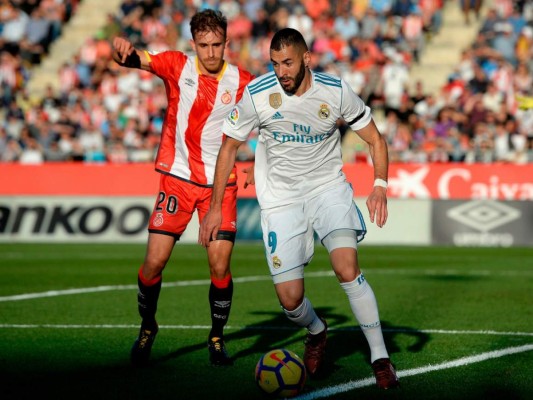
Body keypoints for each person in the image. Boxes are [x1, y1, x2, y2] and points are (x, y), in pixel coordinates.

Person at [200, 28, 400, 389]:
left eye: (288, 63)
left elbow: (375, 139)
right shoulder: (258, 95)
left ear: (306, 58)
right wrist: (215, 207)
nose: (281, 72)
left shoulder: (335, 91)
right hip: (281, 200)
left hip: (327, 189)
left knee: (346, 266)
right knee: (290, 300)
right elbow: (228, 147)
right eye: (275, 64)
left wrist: (380, 186)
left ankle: (380, 356)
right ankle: (316, 330)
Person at [112, 9, 254, 367]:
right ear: (193, 44)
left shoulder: (242, 81)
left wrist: (257, 167)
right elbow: (136, 59)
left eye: (217, 45)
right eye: (203, 45)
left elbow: (270, 122)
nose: (210, 52)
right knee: (154, 262)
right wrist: (121, 51)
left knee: (219, 266)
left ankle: (217, 338)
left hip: (220, 185)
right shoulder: (177, 65)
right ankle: (147, 327)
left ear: (226, 43)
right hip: (177, 178)